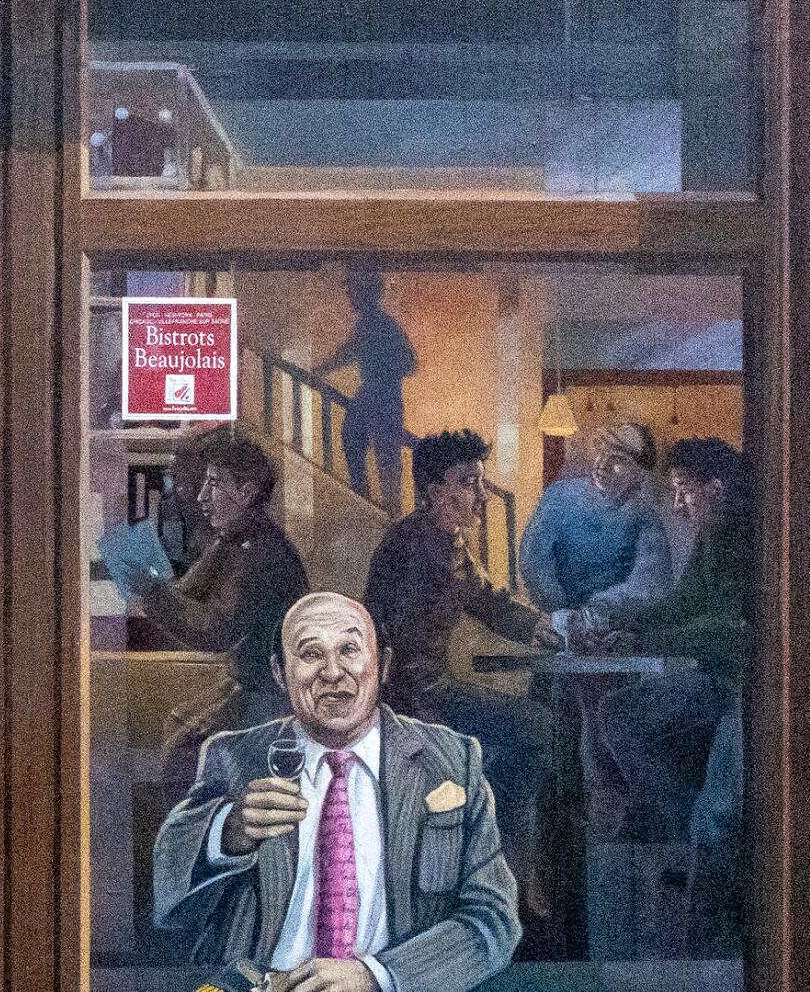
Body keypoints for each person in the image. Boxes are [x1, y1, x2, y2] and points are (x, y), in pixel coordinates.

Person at [147, 591, 521, 992]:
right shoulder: (235, 756)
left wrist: (376, 976)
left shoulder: (452, 761)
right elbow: (166, 890)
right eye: (310, 654)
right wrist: (228, 831)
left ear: (382, 665)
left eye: (349, 650)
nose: (332, 672)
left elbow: (495, 919)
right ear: (280, 673)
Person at [364, 429, 565, 926]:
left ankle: (506, 875)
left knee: (534, 733)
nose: (481, 495)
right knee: (537, 730)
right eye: (468, 483)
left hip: (429, 694)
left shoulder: (446, 541)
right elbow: (398, 648)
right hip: (410, 703)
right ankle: (508, 882)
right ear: (436, 491)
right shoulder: (413, 550)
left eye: (480, 482)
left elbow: (486, 599)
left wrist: (540, 628)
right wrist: (431, 724)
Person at [593, 438, 753, 955]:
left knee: (717, 815)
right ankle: (675, 825)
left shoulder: (755, 537)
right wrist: (620, 623)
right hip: (716, 682)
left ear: (717, 488)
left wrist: (646, 639)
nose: (679, 505)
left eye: (685, 491)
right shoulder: (711, 534)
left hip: (754, 692)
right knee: (619, 712)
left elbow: (731, 629)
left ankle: (705, 952)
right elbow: (683, 604)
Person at [121, 429, 309, 789]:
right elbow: (188, 592)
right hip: (248, 686)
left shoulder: (264, 554)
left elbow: (214, 631)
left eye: (214, 483)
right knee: (180, 729)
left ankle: (201, 823)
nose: (202, 497)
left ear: (246, 492)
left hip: (271, 698)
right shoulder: (234, 541)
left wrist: (150, 588)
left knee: (186, 751)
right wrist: (150, 581)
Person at [519, 419, 675, 631]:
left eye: (618, 459)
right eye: (602, 453)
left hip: (611, 628)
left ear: (640, 474)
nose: (603, 464)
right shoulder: (559, 496)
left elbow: (650, 582)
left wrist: (593, 615)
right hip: (553, 622)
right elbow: (534, 561)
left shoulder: (644, 516)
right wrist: (560, 614)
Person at [316, 263, 417, 508]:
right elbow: (348, 352)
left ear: (366, 292)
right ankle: (369, 500)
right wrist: (321, 370)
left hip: (382, 396)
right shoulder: (371, 324)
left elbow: (410, 363)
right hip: (376, 396)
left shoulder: (380, 324)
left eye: (353, 290)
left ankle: (381, 506)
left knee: (382, 455)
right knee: (358, 440)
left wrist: (383, 368)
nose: (350, 296)